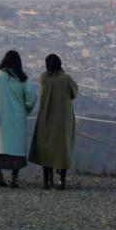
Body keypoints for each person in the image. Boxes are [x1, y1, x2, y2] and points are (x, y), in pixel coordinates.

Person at [0, 49, 38, 187]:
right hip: (17, 120)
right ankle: (14, 177)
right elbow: (32, 98)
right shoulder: (23, 79)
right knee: (16, 150)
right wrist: (25, 109)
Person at [29, 53, 77, 190]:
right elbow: (74, 93)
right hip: (63, 119)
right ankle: (62, 181)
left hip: (45, 118)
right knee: (63, 149)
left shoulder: (44, 78)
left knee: (46, 148)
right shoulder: (66, 79)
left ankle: (46, 181)